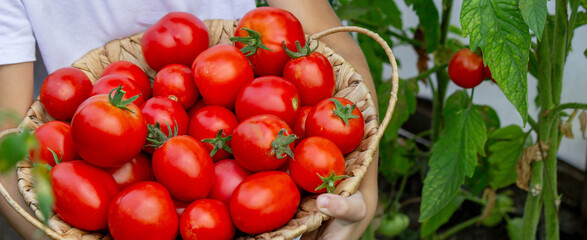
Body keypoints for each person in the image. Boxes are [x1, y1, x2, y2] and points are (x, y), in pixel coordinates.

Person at [0, 0, 378, 239]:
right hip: (123, 153)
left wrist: (367, 189)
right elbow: (6, 137)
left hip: (251, 171)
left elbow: (335, 49)